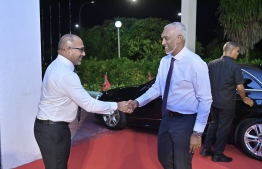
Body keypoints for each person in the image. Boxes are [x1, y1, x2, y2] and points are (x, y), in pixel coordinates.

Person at [34, 34, 133, 169]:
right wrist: (118, 105)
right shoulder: (65, 74)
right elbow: (89, 105)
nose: (84, 53)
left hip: (49, 128)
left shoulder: (56, 66)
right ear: (68, 50)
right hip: (53, 130)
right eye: (80, 49)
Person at [127, 22, 212, 169]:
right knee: (164, 158)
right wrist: (137, 102)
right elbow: (157, 88)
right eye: (163, 38)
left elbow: (205, 99)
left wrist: (197, 133)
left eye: (166, 38)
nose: (163, 42)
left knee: (181, 164)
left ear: (179, 38)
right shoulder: (165, 61)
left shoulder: (196, 63)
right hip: (166, 118)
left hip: (186, 121)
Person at [201, 42, 254, 162]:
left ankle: (206, 149)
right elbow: (240, 88)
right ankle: (218, 154)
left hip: (213, 101)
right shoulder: (234, 66)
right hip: (226, 103)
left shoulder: (212, 64)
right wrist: (245, 99)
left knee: (213, 123)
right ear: (230, 52)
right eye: (237, 51)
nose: (238, 53)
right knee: (223, 128)